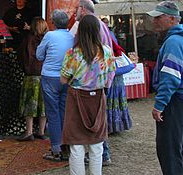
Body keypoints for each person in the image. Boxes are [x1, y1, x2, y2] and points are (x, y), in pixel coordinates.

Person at [147, 1, 183, 175]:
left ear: (171, 19)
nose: (154, 21)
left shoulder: (174, 42)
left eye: (158, 17)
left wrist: (159, 104)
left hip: (176, 101)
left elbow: (171, 77)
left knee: (169, 151)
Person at [61, 15, 116, 175]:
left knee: (76, 144)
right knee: (97, 143)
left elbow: (63, 80)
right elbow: (110, 77)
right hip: (98, 98)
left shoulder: (73, 53)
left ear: (80, 31)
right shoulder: (106, 52)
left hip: (76, 98)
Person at [36, 10, 74, 161]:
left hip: (50, 76)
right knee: (65, 112)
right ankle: (66, 146)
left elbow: (39, 55)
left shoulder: (50, 36)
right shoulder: (72, 36)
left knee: (52, 113)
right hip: (67, 77)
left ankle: (56, 148)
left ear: (53, 22)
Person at [17, 17, 48, 141]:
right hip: (45, 74)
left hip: (30, 76)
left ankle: (29, 131)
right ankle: (41, 131)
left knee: (29, 104)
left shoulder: (28, 39)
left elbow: (21, 56)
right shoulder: (46, 40)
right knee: (43, 105)